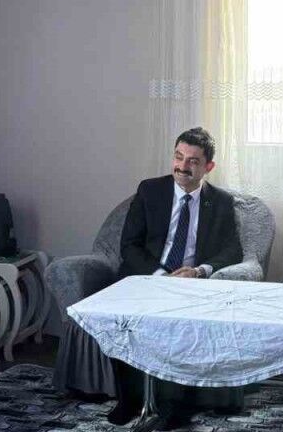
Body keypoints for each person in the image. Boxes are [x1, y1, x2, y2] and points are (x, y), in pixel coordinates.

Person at [107, 127, 243, 430]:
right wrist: (160, 276)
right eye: (178, 157)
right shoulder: (149, 190)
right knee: (121, 318)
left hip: (190, 284)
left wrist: (200, 271)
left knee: (182, 328)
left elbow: (232, 250)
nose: (182, 166)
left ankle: (175, 408)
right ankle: (129, 399)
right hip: (147, 277)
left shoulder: (221, 201)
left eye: (193, 161)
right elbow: (129, 245)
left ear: (208, 166)